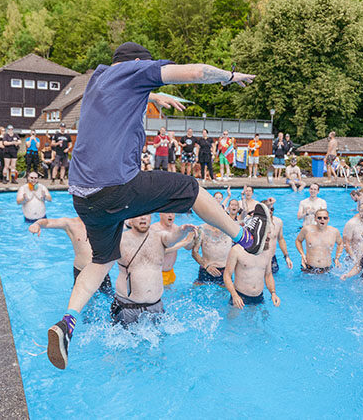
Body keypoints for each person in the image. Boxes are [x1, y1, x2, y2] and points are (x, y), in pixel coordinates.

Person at [47, 42, 263, 369]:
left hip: (83, 197)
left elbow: (121, 96)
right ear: (137, 62)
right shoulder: (135, 69)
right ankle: (245, 237)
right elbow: (195, 72)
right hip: (116, 185)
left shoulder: (97, 80)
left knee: (102, 260)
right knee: (191, 189)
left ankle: (67, 323)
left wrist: (151, 96)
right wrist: (229, 77)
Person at [111, 215, 195, 325]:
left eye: (146, 214)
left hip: (155, 306)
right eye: (139, 215)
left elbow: (172, 239)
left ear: (150, 218)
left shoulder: (160, 237)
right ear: (130, 220)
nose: (143, 218)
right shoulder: (120, 240)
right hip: (127, 307)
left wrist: (182, 231)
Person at [28, 216, 112, 295]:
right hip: (80, 270)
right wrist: (37, 224)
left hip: (100, 270)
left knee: (109, 296)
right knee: (81, 300)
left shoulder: (103, 222)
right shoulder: (71, 223)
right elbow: (47, 222)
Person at [224, 221, 281, 309]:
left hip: (258, 297)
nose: (269, 237)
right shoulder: (237, 250)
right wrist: (234, 295)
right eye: (266, 234)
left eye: (269, 233)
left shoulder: (267, 252)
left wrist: (273, 293)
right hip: (239, 296)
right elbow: (227, 275)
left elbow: (268, 274)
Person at [151, 213, 193, 286]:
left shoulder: (176, 228)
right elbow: (161, 251)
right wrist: (184, 242)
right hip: (157, 273)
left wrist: (190, 235)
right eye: (167, 213)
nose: (170, 215)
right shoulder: (154, 229)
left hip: (170, 272)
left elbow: (188, 248)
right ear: (160, 214)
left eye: (172, 213)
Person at [295, 209, 342, 273]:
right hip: (309, 268)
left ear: (328, 219)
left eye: (325, 218)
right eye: (319, 218)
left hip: (327, 270)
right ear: (315, 219)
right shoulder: (307, 230)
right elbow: (298, 240)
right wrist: (302, 254)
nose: (322, 220)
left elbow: (340, 243)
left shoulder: (334, 232)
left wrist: (337, 258)